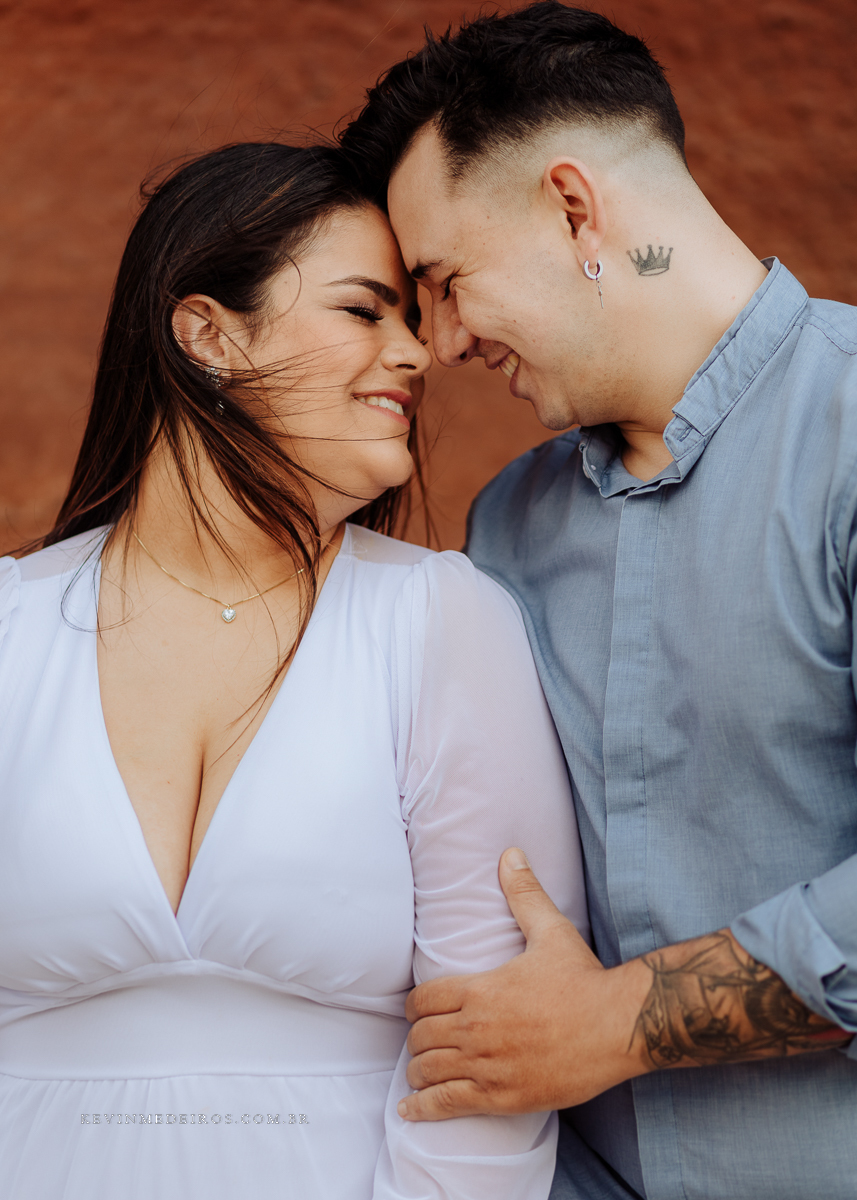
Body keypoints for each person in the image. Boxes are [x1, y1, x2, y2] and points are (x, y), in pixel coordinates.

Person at [0, 141, 589, 1200]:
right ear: (207, 335)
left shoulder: (439, 622)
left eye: (410, 319)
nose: (414, 352)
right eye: (365, 312)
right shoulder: (9, 633)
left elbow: (491, 1072)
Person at [338, 3, 857, 1197]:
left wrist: (617, 1023)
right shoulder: (505, 527)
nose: (441, 341)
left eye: (443, 281)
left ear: (574, 210)